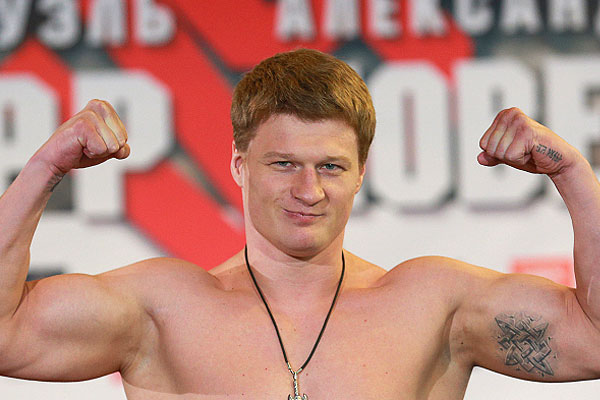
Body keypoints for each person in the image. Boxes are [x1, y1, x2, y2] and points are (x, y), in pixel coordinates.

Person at [0, 48, 599, 400]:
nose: (308, 191)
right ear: (240, 165)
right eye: (283, 164)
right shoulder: (162, 309)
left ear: (361, 173)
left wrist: (572, 172)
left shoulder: (433, 305)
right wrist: (45, 168)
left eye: (330, 167)